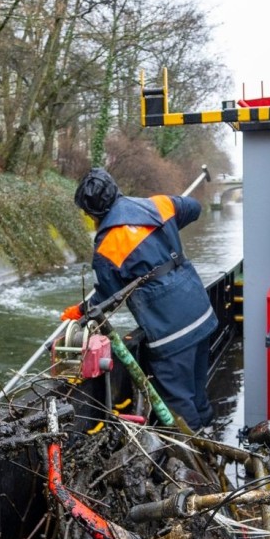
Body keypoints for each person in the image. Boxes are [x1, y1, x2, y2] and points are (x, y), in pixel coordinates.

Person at [65, 167, 216, 429]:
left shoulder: (108, 246)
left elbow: (106, 301)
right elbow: (194, 208)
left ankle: (196, 458)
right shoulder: (158, 205)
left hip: (170, 332)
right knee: (197, 392)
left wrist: (81, 311)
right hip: (201, 314)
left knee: (180, 403)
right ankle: (211, 439)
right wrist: (168, 224)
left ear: (93, 213)